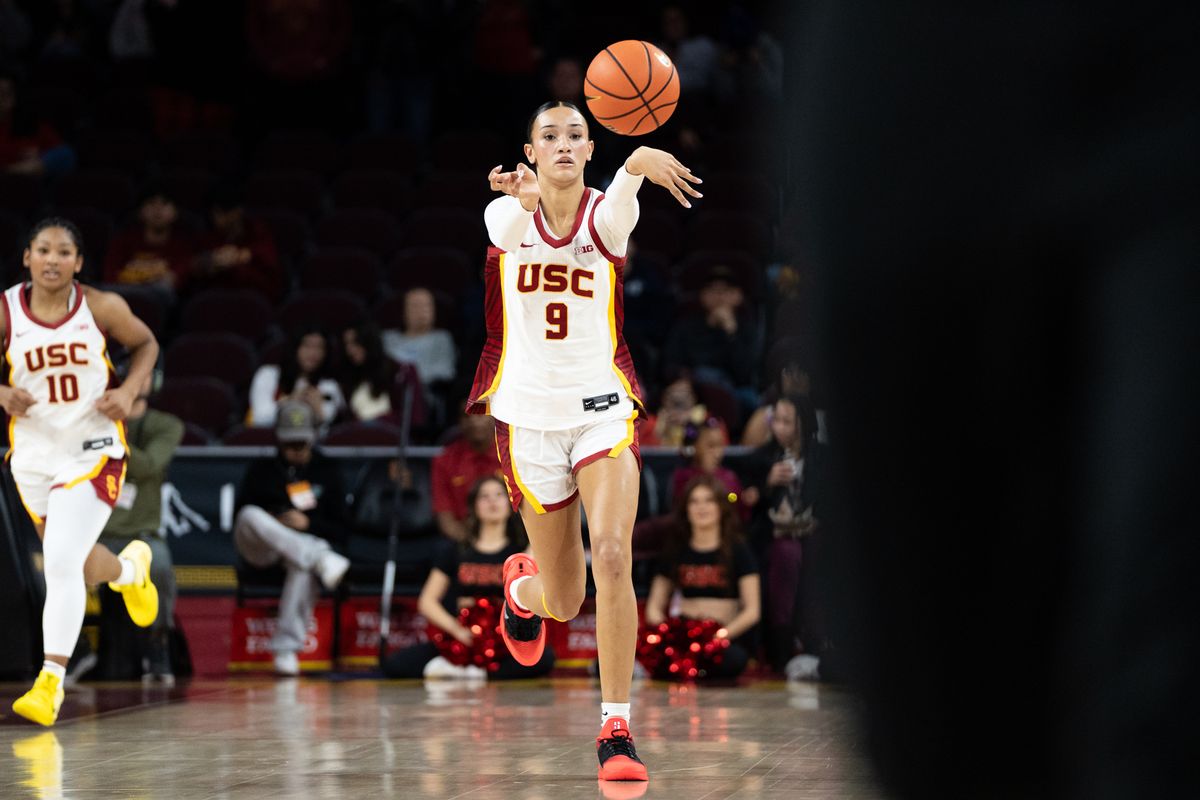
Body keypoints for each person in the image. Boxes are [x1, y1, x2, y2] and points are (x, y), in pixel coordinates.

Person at [469, 100, 701, 782]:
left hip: (602, 412)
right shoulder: (504, 213)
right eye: (550, 136)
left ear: (590, 147)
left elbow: (619, 211)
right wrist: (526, 196)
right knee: (564, 601)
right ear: (531, 150)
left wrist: (633, 165)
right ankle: (522, 593)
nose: (564, 144)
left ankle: (615, 728)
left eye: (576, 135)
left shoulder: (606, 214)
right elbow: (511, 227)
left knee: (612, 551)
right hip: (527, 420)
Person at [1, 218, 161, 726]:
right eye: (43, 250)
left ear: (79, 262)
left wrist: (130, 390)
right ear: (26, 257)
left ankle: (50, 682)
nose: (53, 259)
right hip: (33, 452)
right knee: (77, 563)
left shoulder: (100, 307)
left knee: (61, 565)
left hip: (93, 447)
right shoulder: (6, 312)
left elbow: (147, 345)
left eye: (64, 251)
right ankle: (131, 571)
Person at [382, 476, 554, 679]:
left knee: (544, 659)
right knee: (395, 665)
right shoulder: (456, 550)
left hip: (504, 639)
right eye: (485, 496)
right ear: (474, 506)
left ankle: (472, 673)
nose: (492, 502)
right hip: (462, 636)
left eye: (499, 495)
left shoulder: (520, 553)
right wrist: (457, 631)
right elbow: (427, 602)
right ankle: (471, 669)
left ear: (510, 505)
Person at [233, 400, 350, 676]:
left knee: (303, 566)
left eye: (301, 444)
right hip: (262, 548)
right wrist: (273, 522)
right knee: (251, 514)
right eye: (289, 444)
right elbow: (240, 518)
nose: (295, 451)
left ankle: (286, 649)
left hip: (298, 550)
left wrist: (308, 523)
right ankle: (321, 557)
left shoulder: (327, 470)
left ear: (313, 438)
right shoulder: (262, 468)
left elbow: (343, 527)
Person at [97, 364, 184, 685]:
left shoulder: (166, 425)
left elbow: (149, 466)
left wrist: (105, 439)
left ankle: (158, 647)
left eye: (144, 373)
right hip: (98, 532)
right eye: (130, 374)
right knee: (52, 569)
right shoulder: (95, 420)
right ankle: (75, 654)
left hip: (142, 534)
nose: (137, 381)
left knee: (160, 566)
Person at [644, 475, 760, 679]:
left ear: (721, 507)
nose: (701, 508)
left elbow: (752, 611)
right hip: (681, 637)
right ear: (686, 509)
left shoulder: (738, 549)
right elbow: (654, 606)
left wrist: (718, 637)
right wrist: (667, 634)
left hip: (721, 638)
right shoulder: (676, 549)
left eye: (709, 500)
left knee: (732, 661)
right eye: (694, 501)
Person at [744, 394, 824, 672]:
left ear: (803, 424)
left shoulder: (822, 458)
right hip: (774, 537)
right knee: (786, 555)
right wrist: (767, 484)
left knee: (814, 552)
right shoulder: (760, 458)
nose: (778, 427)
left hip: (815, 535)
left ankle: (816, 646)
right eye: (775, 420)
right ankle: (781, 650)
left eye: (786, 421)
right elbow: (743, 499)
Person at [663, 264, 761, 417]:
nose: (719, 297)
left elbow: (746, 373)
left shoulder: (746, 328)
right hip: (692, 387)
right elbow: (670, 363)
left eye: (726, 291)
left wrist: (731, 332)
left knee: (753, 401)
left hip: (735, 390)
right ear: (703, 295)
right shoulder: (686, 326)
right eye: (713, 290)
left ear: (738, 296)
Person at [186, 184, 283, 302]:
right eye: (214, 213)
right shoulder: (207, 237)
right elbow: (193, 268)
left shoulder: (258, 234)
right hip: (217, 303)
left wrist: (237, 260)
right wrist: (210, 262)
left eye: (221, 213)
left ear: (237, 211)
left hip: (253, 301)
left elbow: (272, 282)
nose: (216, 218)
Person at [248, 325, 345, 429]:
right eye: (307, 346)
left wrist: (318, 412)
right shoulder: (268, 375)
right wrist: (290, 402)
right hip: (269, 441)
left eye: (319, 347)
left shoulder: (328, 384)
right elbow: (260, 418)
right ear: (295, 347)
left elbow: (329, 423)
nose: (313, 353)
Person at [430, 407, 501, 542]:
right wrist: (475, 547)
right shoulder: (444, 460)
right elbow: (444, 515)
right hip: (463, 539)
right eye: (466, 416)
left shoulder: (513, 455)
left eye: (481, 414)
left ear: (495, 417)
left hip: (509, 539)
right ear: (460, 422)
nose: (474, 420)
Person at [668, 416, 755, 520]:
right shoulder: (682, 477)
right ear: (694, 447)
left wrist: (745, 502)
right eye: (711, 446)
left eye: (720, 445)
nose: (717, 453)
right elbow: (681, 513)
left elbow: (739, 514)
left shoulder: (729, 476)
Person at [338, 321, 395, 422]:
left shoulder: (398, 372)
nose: (350, 350)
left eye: (355, 342)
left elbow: (412, 419)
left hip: (389, 433)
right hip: (356, 434)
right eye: (346, 344)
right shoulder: (346, 377)